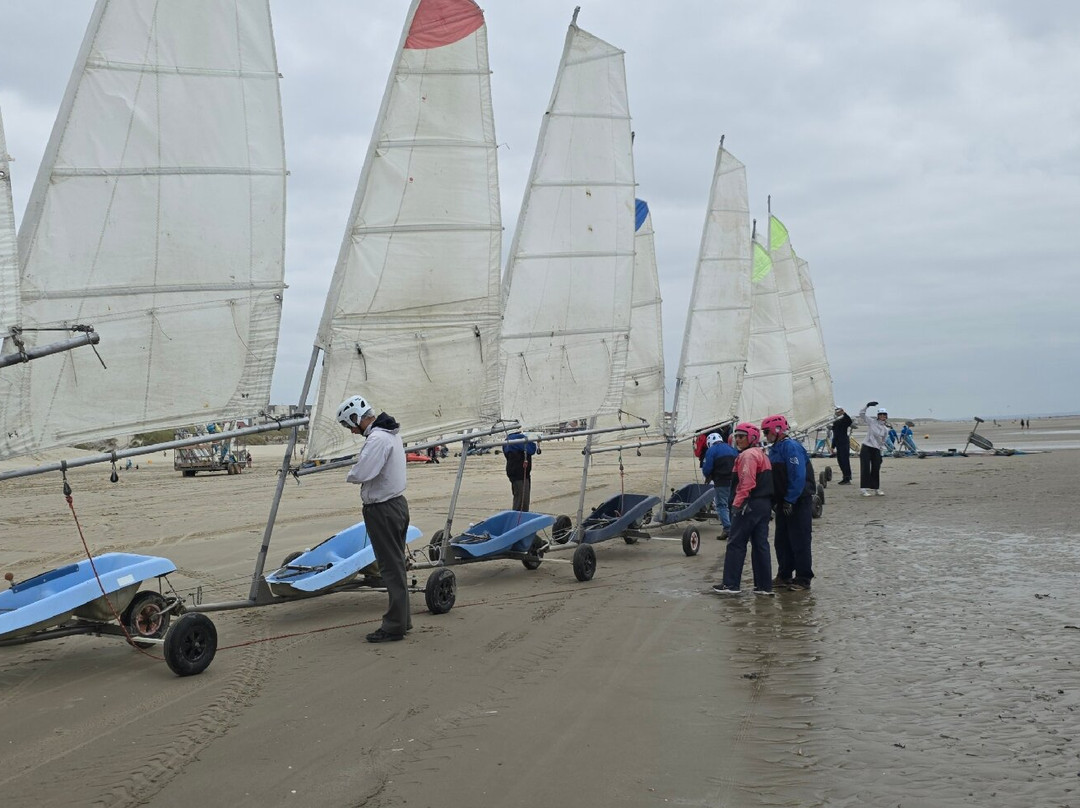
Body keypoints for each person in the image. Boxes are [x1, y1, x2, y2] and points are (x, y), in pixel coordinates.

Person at [338, 394, 412, 643]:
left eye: (349, 425)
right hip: (396, 504)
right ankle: (403, 620)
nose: (351, 431)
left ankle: (394, 626)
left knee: (390, 568)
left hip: (383, 509)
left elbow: (361, 473)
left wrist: (350, 473)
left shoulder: (378, 438)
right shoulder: (390, 433)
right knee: (397, 564)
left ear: (356, 418)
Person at [712, 422, 774, 596]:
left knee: (736, 544)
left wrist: (737, 505)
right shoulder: (761, 454)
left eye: (741, 436)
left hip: (749, 505)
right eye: (736, 436)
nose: (738, 440)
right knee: (761, 545)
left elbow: (747, 482)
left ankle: (731, 584)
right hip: (763, 505)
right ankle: (764, 586)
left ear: (752, 437)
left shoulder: (748, 455)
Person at [762, 414, 816, 591]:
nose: (765, 435)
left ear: (777, 430)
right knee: (782, 540)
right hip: (782, 501)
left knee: (800, 539)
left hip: (798, 500)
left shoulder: (791, 447)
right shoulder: (775, 448)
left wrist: (790, 499)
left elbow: (798, 475)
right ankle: (784, 575)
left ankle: (803, 578)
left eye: (767, 432)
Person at [701, 430, 737, 539]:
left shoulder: (711, 450)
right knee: (733, 504)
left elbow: (707, 469)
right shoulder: (732, 449)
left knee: (721, 505)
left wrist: (708, 476)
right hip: (735, 481)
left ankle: (728, 529)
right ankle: (736, 528)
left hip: (721, 481)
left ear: (709, 443)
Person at [858, 401, 889, 497]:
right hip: (866, 447)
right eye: (881, 414)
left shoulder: (885, 429)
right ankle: (863, 489)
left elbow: (883, 441)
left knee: (876, 468)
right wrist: (867, 406)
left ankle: (876, 488)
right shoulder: (872, 422)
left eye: (884, 414)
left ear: (886, 416)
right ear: (878, 415)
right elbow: (861, 414)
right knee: (865, 468)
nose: (882, 416)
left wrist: (881, 452)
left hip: (876, 449)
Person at [502, 431, 538, 511]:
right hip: (520, 474)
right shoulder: (518, 439)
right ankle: (519, 517)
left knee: (519, 498)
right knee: (522, 501)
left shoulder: (507, 440)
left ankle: (519, 515)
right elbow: (532, 449)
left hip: (515, 473)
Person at [831, 406, 853, 484]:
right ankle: (845, 476)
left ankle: (847, 478)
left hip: (844, 443)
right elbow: (835, 435)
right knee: (840, 461)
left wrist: (844, 413)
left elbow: (849, 421)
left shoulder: (844, 420)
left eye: (839, 412)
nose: (838, 413)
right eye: (837, 412)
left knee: (845, 461)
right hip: (838, 443)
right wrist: (832, 446)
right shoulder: (835, 422)